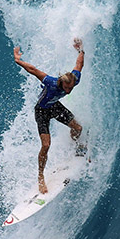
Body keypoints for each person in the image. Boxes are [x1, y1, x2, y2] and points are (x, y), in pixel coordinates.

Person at [13, 38, 87, 194]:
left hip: (54, 107)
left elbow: (79, 64)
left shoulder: (74, 79)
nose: (68, 91)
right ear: (62, 82)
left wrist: (80, 50)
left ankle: (76, 147)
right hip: (41, 111)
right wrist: (18, 60)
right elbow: (33, 70)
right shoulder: (52, 82)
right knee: (46, 145)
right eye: (67, 88)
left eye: (71, 88)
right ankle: (40, 177)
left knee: (78, 128)